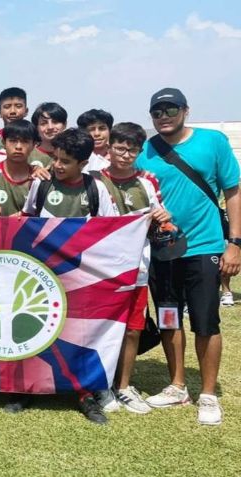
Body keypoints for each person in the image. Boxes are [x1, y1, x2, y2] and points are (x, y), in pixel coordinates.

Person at [135, 88, 240, 426]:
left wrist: (234, 242)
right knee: (168, 317)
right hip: (163, 250)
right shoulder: (146, 151)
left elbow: (233, 192)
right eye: (157, 112)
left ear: (185, 110)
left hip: (205, 247)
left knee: (206, 320)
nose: (163, 116)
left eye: (170, 109)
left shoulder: (213, 142)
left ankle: (208, 394)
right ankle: (177, 385)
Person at [22, 128, 118, 424]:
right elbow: (26, 220)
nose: (57, 166)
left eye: (65, 161)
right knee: (35, 330)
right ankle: (26, 390)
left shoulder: (97, 189)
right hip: (40, 277)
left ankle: (84, 394)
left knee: (78, 336)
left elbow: (111, 232)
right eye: (55, 158)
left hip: (80, 279)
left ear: (83, 163)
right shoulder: (40, 186)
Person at [93, 122, 169, 414]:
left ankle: (124, 386)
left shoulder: (148, 181)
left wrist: (163, 216)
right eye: (120, 148)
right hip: (99, 271)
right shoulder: (94, 180)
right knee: (99, 328)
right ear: (109, 147)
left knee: (133, 329)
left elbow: (160, 218)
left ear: (140, 151)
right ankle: (99, 384)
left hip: (137, 267)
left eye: (132, 150)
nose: (125, 155)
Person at [29, 102, 67, 168]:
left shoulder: (72, 154)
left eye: (55, 122)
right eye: (43, 123)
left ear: (64, 125)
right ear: (36, 127)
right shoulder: (28, 155)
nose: (50, 127)